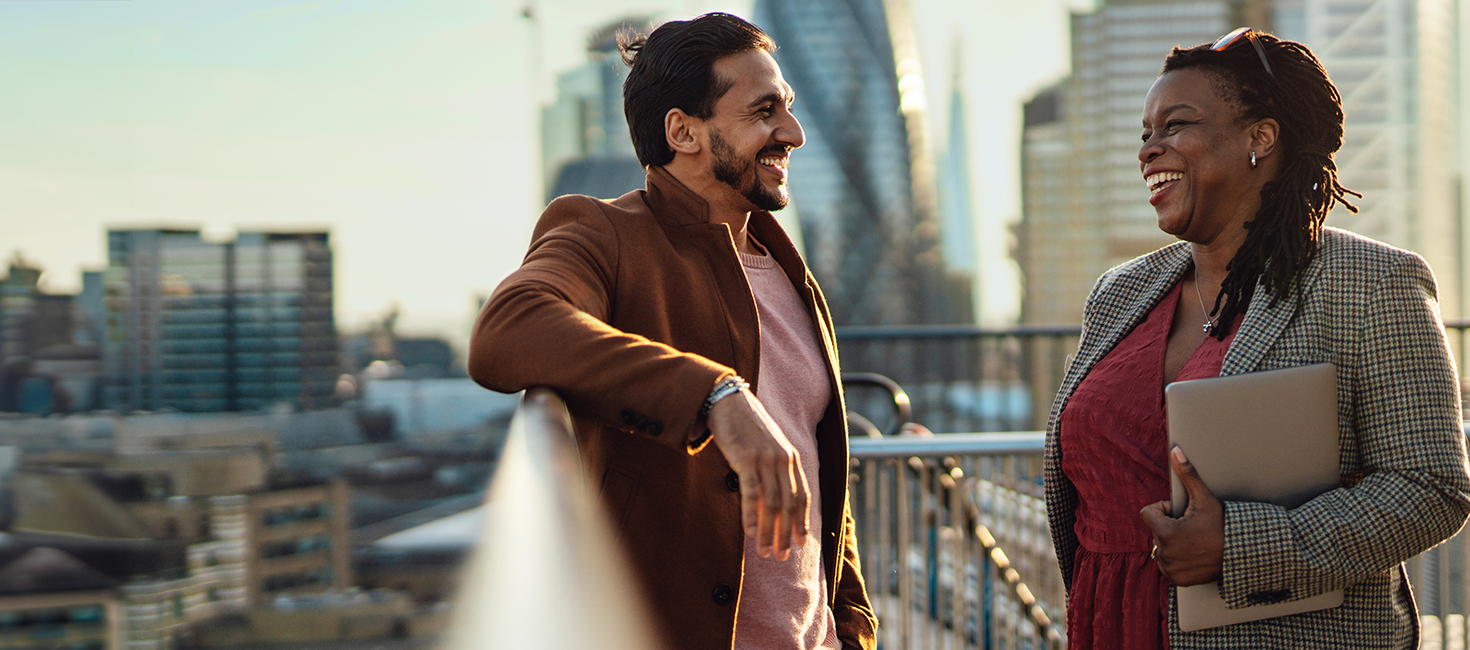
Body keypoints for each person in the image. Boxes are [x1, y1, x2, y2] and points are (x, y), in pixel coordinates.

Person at [1043, 28, 1470, 649]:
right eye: (1145, 133)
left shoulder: (1373, 283)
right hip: (1109, 625)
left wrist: (1241, 546)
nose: (1149, 149)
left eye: (1175, 125)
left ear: (1259, 137)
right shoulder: (1119, 292)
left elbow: (1431, 486)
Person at [467, 12, 876, 650]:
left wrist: (853, 630)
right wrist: (714, 396)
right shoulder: (606, 233)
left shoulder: (791, 271)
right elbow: (507, 330)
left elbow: (821, 487)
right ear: (682, 131)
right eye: (763, 111)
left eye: (788, 107)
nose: (793, 133)